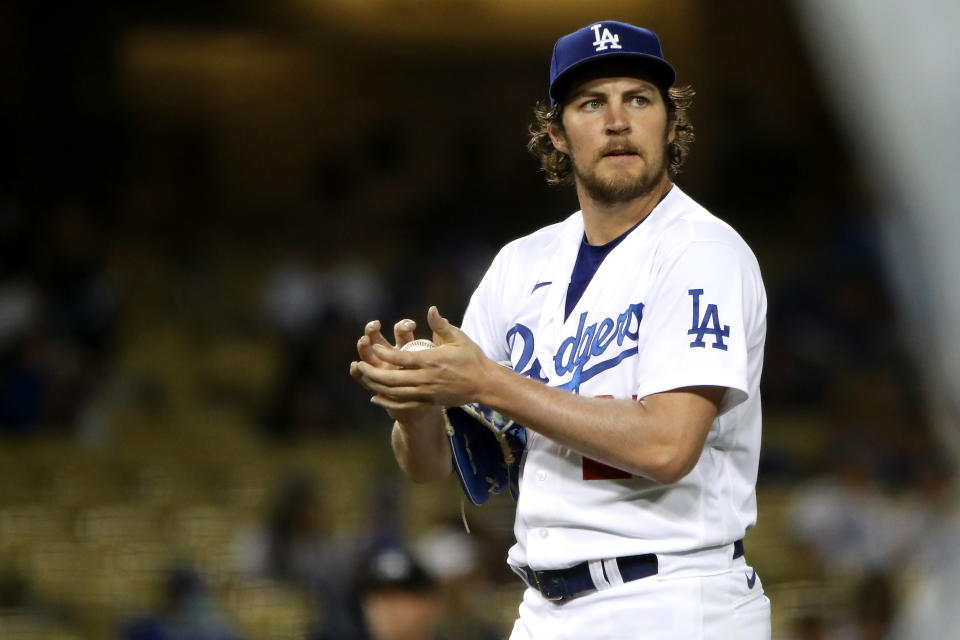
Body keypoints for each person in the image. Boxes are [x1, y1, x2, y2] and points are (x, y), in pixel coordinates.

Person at [350, 20, 770, 639]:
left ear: (671, 125)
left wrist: (486, 382)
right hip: (546, 608)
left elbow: (667, 446)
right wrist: (414, 406)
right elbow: (429, 466)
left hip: (674, 598)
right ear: (556, 133)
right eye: (591, 103)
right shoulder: (521, 264)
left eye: (639, 99)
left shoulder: (702, 251)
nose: (618, 121)